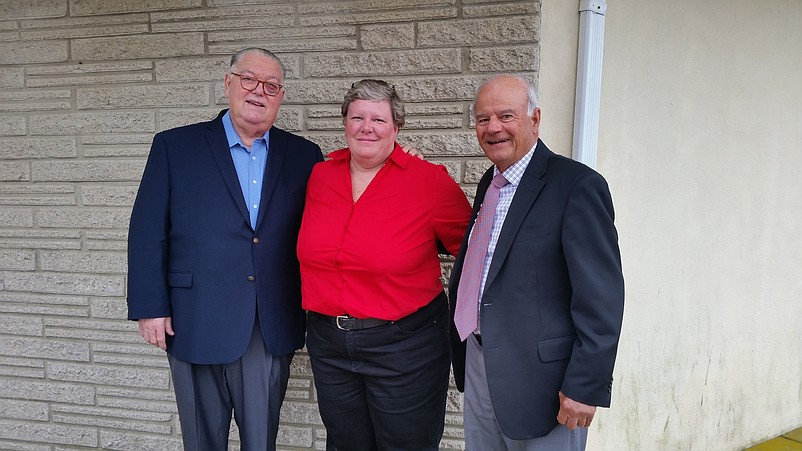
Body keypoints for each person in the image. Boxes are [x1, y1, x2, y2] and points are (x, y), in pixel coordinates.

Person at [127, 47, 324, 450]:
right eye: (249, 79)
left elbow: (338, 209)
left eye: (271, 85)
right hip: (192, 316)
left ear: (281, 96)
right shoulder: (174, 147)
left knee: (259, 441)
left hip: (266, 321)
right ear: (229, 83)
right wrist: (150, 306)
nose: (259, 91)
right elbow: (147, 230)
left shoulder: (304, 155)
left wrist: (400, 156)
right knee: (201, 440)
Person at [449, 74, 625, 450]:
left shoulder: (576, 186)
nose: (493, 127)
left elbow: (601, 298)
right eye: (483, 119)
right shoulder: (490, 183)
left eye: (506, 115)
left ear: (535, 118)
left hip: (548, 384)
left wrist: (585, 384)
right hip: (480, 361)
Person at [297, 79, 472, 451]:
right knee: (346, 443)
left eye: (378, 119)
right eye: (357, 117)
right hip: (330, 342)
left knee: (406, 444)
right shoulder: (320, 177)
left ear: (396, 127)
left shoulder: (428, 182)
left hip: (405, 345)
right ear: (345, 123)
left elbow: (474, 252)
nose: (366, 127)